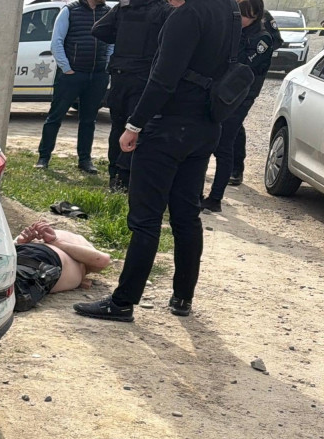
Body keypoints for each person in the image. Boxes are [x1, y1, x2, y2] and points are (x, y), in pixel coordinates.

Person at [72, 0, 236, 322]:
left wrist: (134, 124)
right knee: (186, 216)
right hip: (206, 125)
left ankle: (122, 302)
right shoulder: (227, 9)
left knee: (145, 219)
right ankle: (183, 297)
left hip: (168, 128)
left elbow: (163, 78)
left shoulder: (186, 15)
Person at [92, 0, 173, 190]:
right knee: (136, 128)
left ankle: (114, 175)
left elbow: (98, 29)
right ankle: (125, 177)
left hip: (120, 75)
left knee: (117, 127)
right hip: (144, 78)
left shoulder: (124, 6)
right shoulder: (164, 9)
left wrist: (120, 36)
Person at [201, 0, 273, 213]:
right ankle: (196, 193)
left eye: (246, 15)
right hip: (218, 93)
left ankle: (215, 198)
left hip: (240, 98)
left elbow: (242, 65)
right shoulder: (233, 29)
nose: (241, 19)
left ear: (256, 15)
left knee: (224, 145)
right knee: (204, 142)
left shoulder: (262, 38)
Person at [35, 0, 112, 174]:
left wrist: (106, 65)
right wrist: (67, 68)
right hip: (71, 74)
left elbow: (111, 43)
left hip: (97, 75)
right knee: (55, 116)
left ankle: (85, 160)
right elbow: (57, 42)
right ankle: (44, 157)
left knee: (88, 120)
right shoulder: (69, 10)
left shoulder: (108, 12)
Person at [229, 8, 282, 186]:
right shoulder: (231, 11)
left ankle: (236, 168)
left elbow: (274, 42)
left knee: (233, 124)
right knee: (227, 122)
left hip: (247, 85)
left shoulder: (261, 18)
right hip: (226, 82)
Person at [13, 221, 111, 311]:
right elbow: (101, 260)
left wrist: (55, 241)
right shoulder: (73, 241)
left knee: (16, 284)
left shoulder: (74, 243)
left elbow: (101, 260)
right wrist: (20, 243)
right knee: (17, 286)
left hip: (35, 262)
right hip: (34, 258)